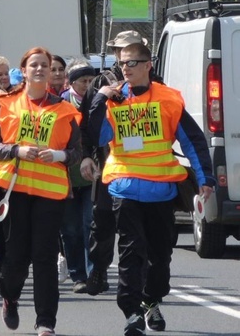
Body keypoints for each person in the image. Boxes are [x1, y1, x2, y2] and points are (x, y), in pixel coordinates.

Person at [89, 42, 215, 336]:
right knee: (132, 251)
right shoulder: (113, 100)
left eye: (132, 62)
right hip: (124, 186)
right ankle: (131, 312)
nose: (126, 68)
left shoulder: (169, 100)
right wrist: (99, 97)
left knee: (160, 256)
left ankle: (151, 300)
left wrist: (205, 180)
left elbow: (192, 142)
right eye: (122, 63)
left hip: (161, 190)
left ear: (148, 65)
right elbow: (96, 134)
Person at [0, 47, 82, 336]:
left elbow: (77, 151)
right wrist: (17, 150)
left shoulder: (66, 110)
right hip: (15, 190)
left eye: (45, 65)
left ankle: (46, 322)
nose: (39, 69)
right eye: (33, 65)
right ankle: (10, 296)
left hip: (50, 194)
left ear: (52, 72)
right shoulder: (6, 104)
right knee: (16, 256)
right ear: (24, 71)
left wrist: (60, 156)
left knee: (45, 257)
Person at [78, 30, 149, 296]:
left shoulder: (155, 83)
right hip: (110, 162)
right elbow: (85, 125)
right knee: (103, 222)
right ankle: (98, 268)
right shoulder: (100, 83)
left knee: (140, 227)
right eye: (121, 51)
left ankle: (138, 278)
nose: (125, 57)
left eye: (131, 50)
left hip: (146, 165)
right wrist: (86, 155)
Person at [59, 60, 98, 293]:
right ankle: (77, 275)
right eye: (83, 81)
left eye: (91, 81)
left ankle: (93, 272)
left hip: (93, 175)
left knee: (90, 224)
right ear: (72, 82)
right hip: (67, 175)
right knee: (70, 228)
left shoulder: (98, 101)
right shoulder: (62, 103)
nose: (87, 85)